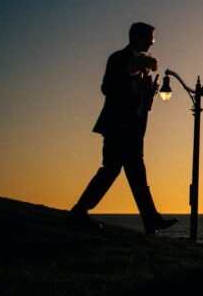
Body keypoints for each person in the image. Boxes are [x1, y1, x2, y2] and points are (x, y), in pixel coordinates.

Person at [68, 22, 177, 234]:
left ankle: (151, 220)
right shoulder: (118, 58)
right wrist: (129, 74)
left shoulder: (144, 66)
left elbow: (139, 101)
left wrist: (149, 93)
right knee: (112, 171)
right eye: (149, 38)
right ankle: (79, 212)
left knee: (135, 176)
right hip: (118, 127)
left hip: (134, 130)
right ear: (136, 37)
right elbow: (107, 87)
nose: (152, 42)